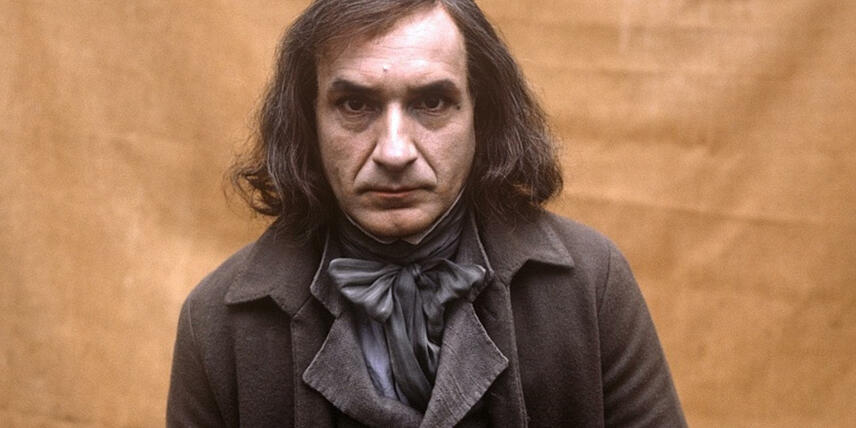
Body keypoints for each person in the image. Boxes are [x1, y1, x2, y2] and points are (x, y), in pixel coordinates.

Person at [167, 0, 686, 426]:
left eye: (432, 103)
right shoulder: (216, 324)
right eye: (355, 105)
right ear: (309, 120)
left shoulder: (590, 284)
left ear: (481, 114)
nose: (394, 152)